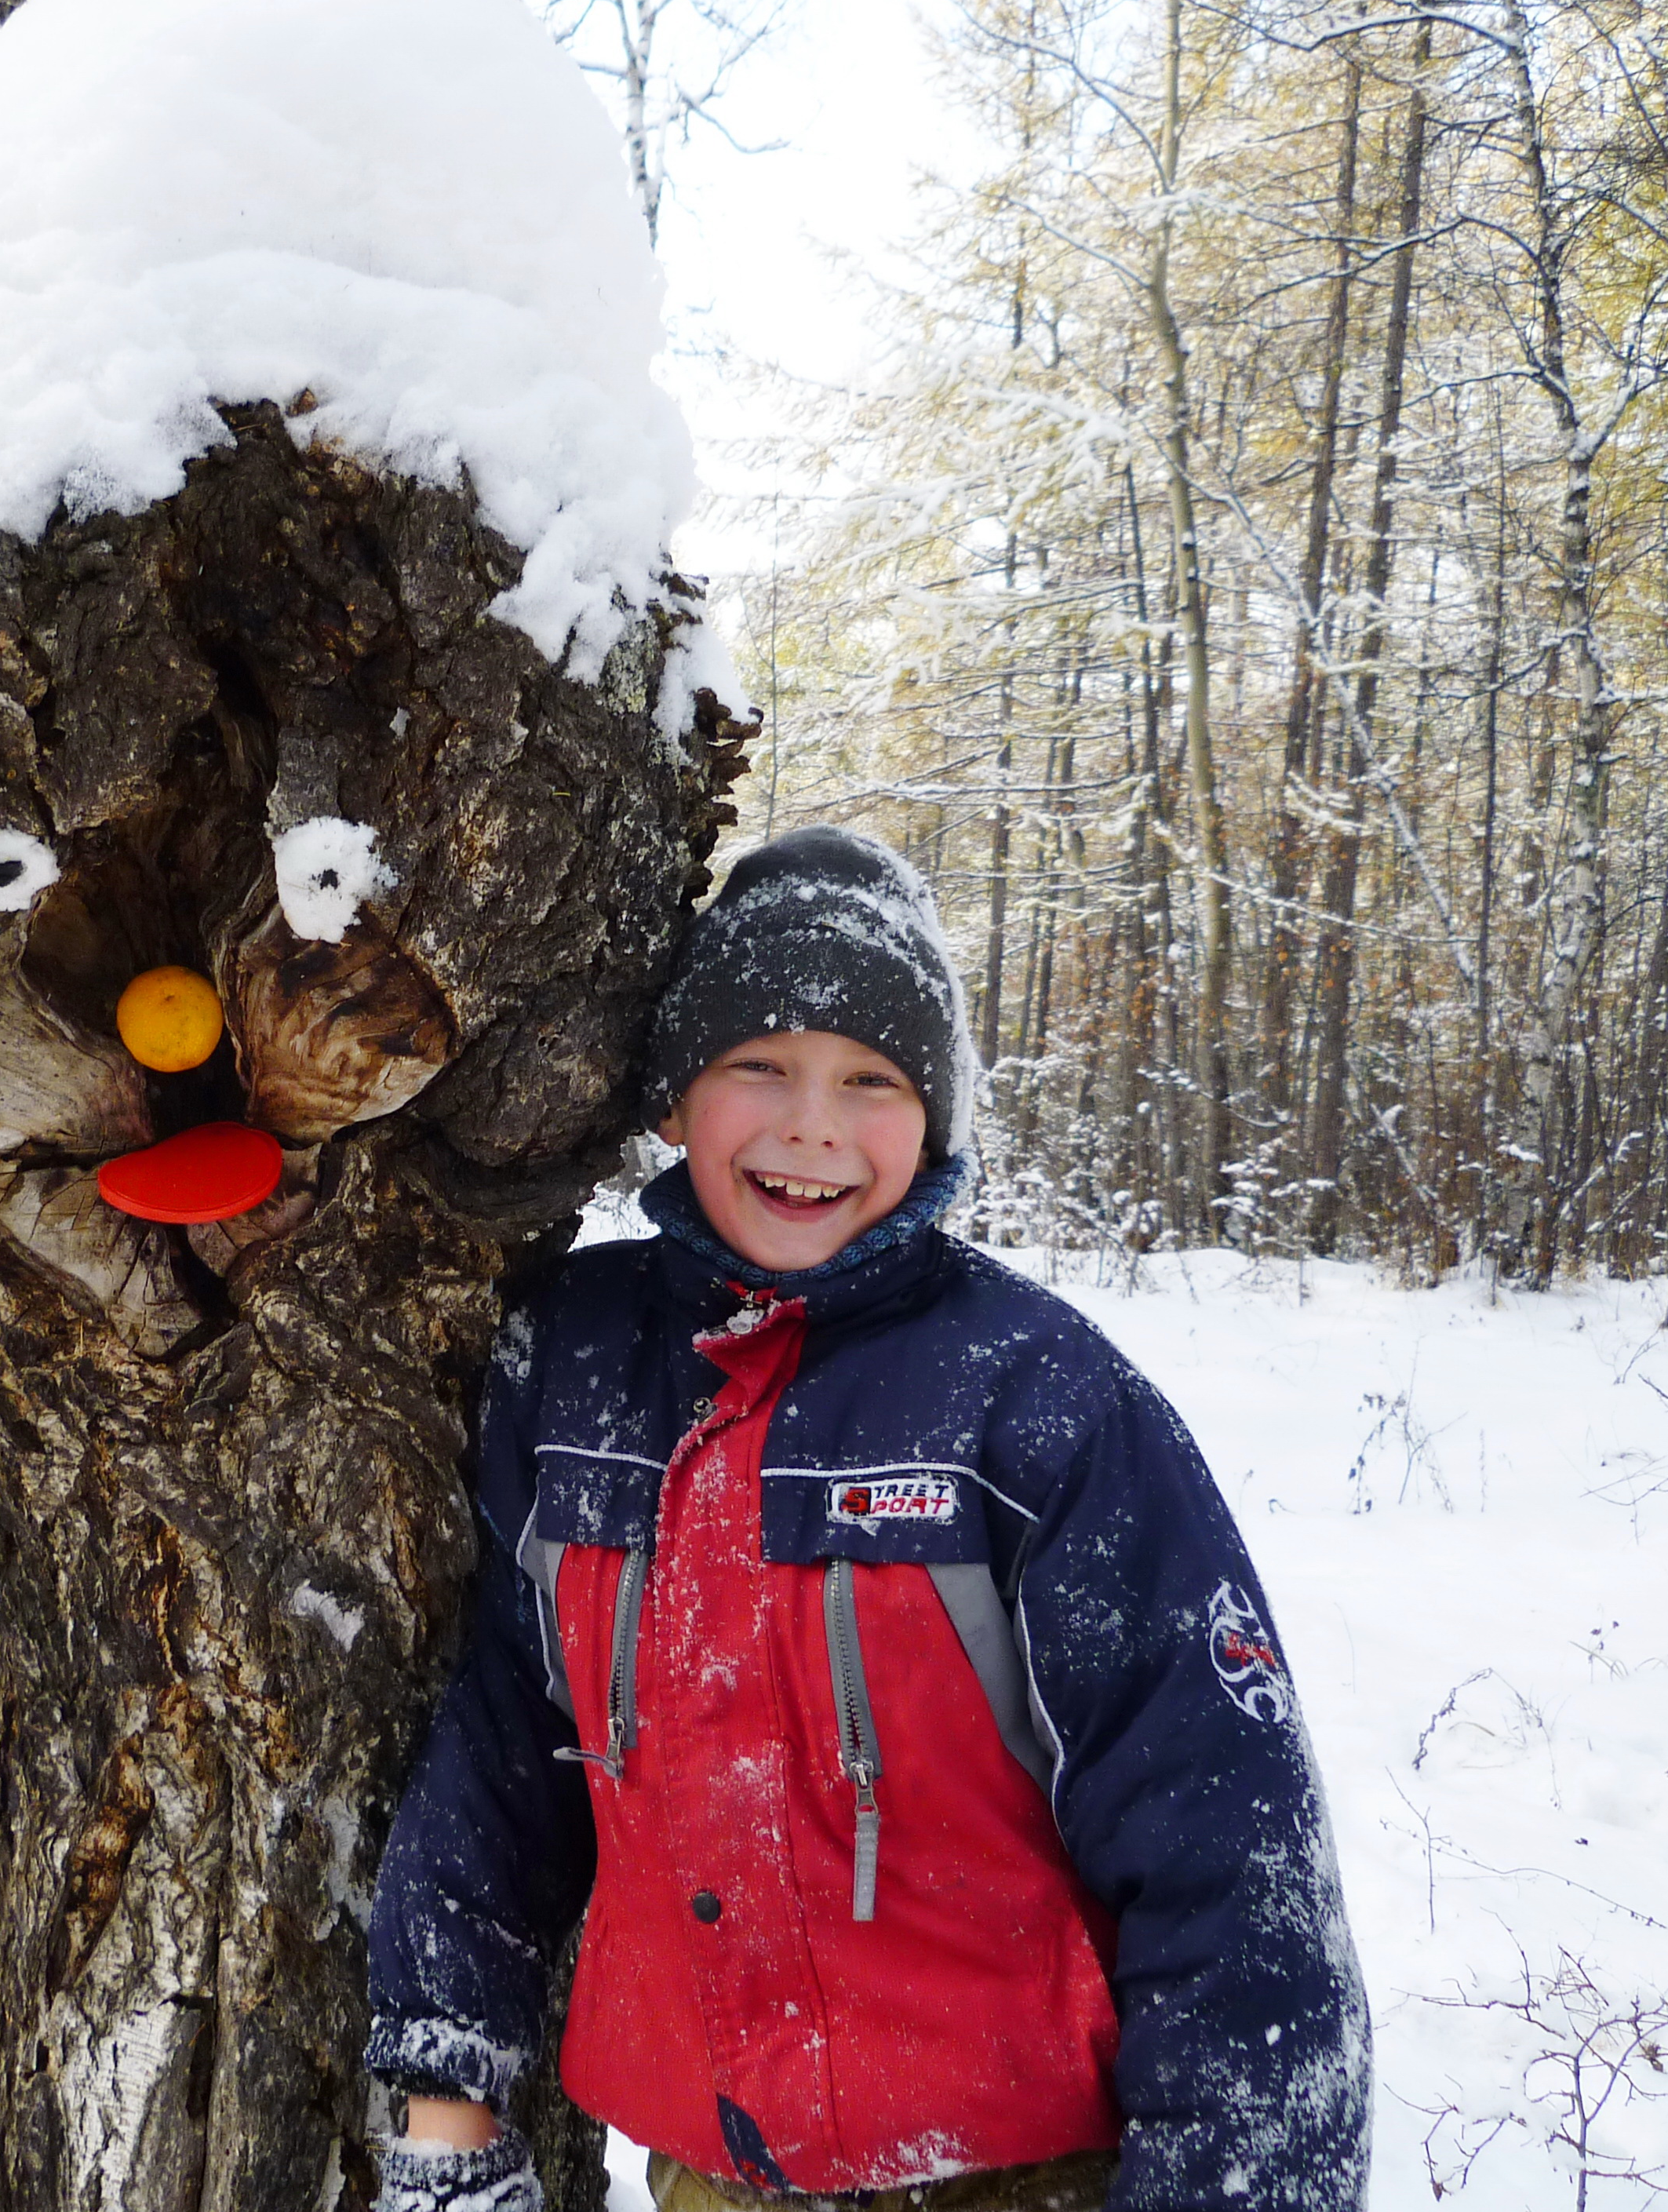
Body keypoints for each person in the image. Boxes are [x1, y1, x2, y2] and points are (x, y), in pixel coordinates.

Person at [361, 826, 1371, 2212]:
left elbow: (1227, 1849)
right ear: (674, 1101)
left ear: (935, 1122)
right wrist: (445, 2108)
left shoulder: (1034, 1395)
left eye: (872, 1081)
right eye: (756, 1066)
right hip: (712, 2177)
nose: (811, 1124)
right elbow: (499, 1761)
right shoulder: (572, 1363)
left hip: (1023, 2177)